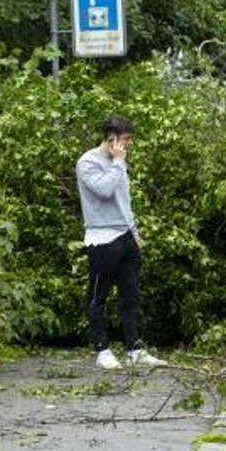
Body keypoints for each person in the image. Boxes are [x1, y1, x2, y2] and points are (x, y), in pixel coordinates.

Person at [76, 116, 166, 369]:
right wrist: (117, 162)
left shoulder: (119, 162)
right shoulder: (88, 162)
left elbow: (123, 201)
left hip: (125, 237)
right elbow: (104, 191)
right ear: (111, 137)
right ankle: (102, 350)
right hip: (102, 238)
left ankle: (134, 349)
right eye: (125, 140)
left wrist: (134, 232)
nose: (128, 145)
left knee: (130, 295)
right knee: (98, 297)